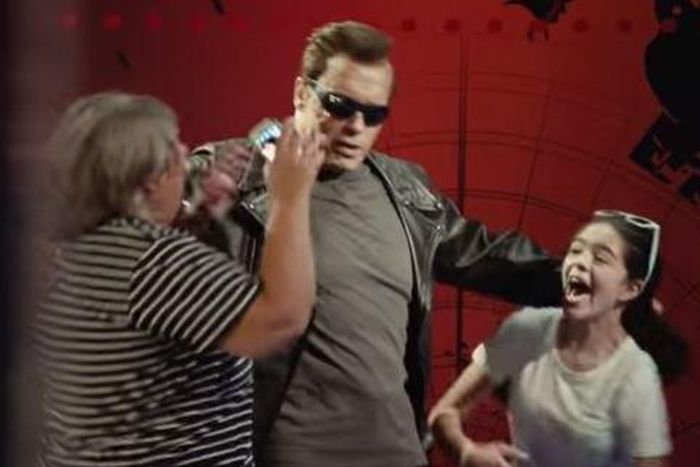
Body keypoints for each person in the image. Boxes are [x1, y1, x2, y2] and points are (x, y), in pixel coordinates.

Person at [195, 21, 563, 467]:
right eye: (339, 105)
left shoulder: (407, 191)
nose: (356, 126)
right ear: (301, 92)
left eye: (374, 114)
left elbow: (486, 255)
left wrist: (595, 281)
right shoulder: (229, 176)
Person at [36, 92, 323, 466]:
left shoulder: (75, 251)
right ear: (148, 182)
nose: (187, 156)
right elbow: (281, 318)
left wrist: (187, 218)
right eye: (174, 156)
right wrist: (290, 195)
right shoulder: (154, 259)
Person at [429, 210, 689, 467]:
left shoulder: (636, 372)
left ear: (632, 288)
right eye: (576, 250)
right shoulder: (526, 329)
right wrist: (465, 451)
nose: (580, 262)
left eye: (600, 258)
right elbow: (446, 413)